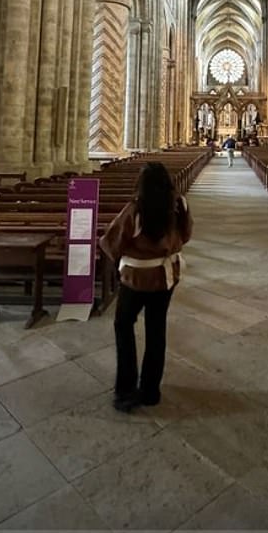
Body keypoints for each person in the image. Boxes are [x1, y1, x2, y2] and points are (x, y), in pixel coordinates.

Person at [99, 162, 193, 412]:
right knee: (156, 329)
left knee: (123, 325)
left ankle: (126, 390)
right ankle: (151, 391)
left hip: (136, 278)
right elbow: (186, 235)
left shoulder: (135, 209)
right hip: (165, 278)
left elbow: (113, 241)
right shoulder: (178, 205)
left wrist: (119, 257)